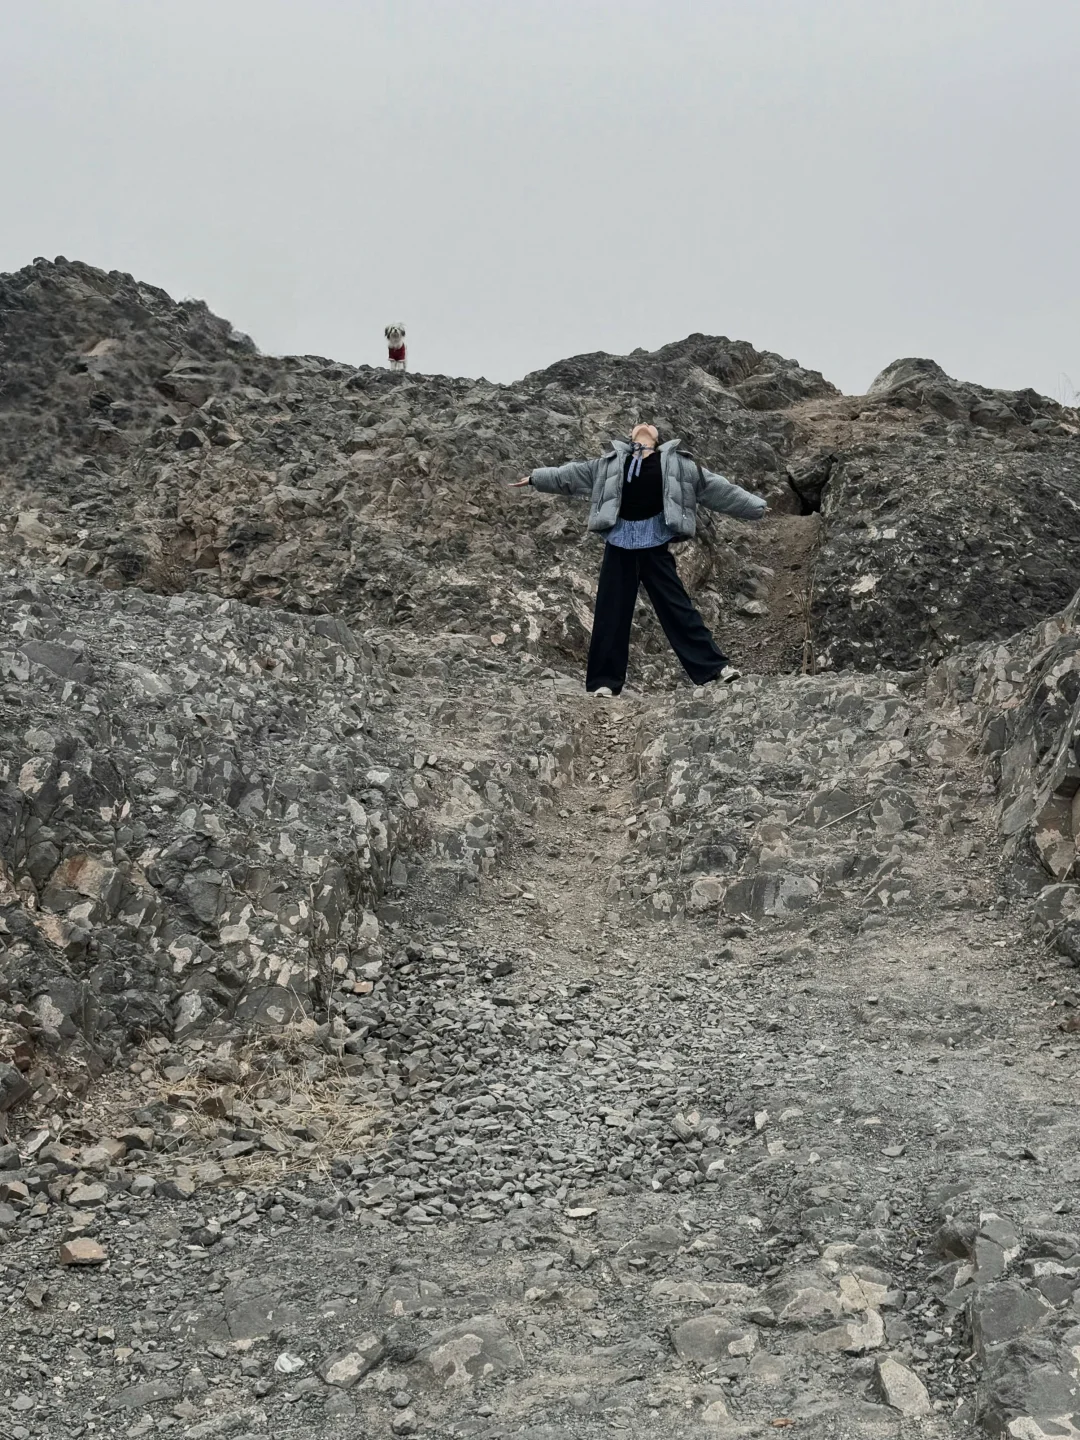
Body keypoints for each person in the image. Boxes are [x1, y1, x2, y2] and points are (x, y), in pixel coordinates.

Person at [512, 424, 766, 695]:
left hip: (654, 540)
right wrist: (536, 478)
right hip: (619, 540)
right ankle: (603, 684)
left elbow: (715, 488)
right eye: (638, 424)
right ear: (630, 436)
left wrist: (756, 506)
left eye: (650, 424)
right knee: (611, 611)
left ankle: (715, 669)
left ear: (658, 439)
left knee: (677, 607)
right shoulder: (609, 463)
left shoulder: (679, 464)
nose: (644, 424)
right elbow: (570, 475)